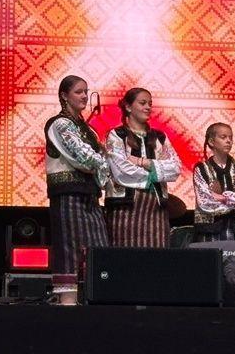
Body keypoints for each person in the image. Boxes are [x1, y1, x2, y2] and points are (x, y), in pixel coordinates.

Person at [45, 75, 110, 276]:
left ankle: (94, 291)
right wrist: (103, 164)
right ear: (64, 96)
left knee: (98, 249)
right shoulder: (59, 124)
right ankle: (69, 294)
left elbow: (99, 158)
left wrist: (101, 164)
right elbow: (82, 157)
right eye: (78, 92)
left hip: (90, 194)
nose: (84, 96)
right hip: (68, 194)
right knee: (72, 250)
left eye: (86, 92)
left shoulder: (88, 129)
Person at [105, 87, 181, 247]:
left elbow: (175, 168)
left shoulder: (159, 137)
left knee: (156, 252)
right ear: (128, 107)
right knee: (126, 253)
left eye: (150, 104)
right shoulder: (117, 135)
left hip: (156, 207)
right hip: (125, 208)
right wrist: (158, 172)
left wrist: (144, 162)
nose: (148, 107)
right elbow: (121, 171)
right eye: (143, 103)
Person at [193, 122, 235, 242]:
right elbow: (205, 201)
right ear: (211, 142)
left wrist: (224, 198)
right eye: (223, 137)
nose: (228, 141)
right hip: (210, 230)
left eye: (230, 137)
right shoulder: (201, 169)